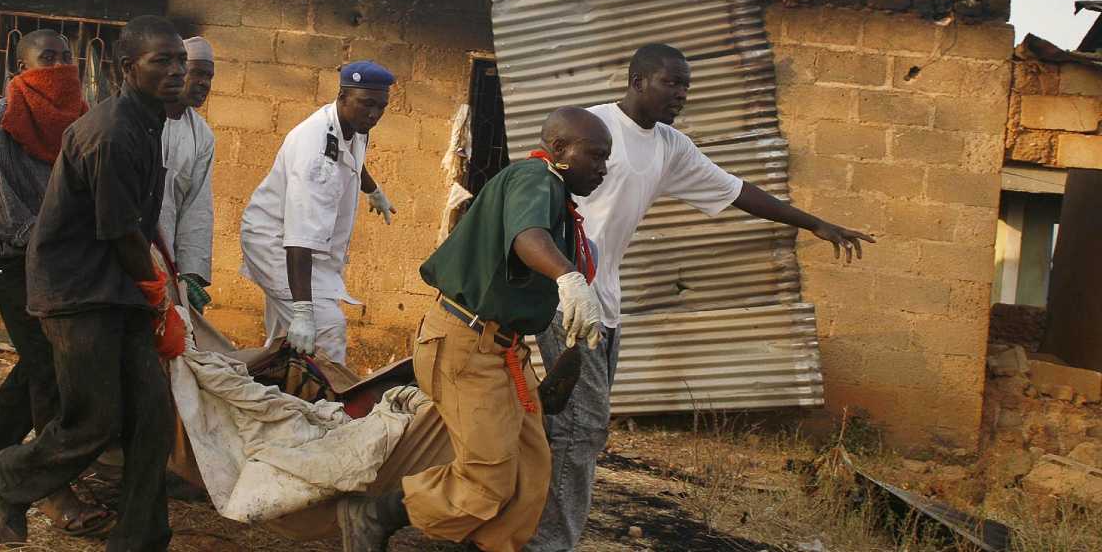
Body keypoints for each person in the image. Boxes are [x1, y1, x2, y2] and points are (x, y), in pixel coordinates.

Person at [526, 43, 877, 552]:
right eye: (672, 83)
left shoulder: (669, 145)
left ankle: (517, 524)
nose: (682, 94)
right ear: (638, 80)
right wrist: (554, 277)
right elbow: (531, 196)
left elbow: (734, 189)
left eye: (687, 85)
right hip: (567, 299)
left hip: (606, 303)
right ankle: (548, 544)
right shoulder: (591, 128)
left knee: (570, 425)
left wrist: (814, 223)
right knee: (582, 430)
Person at [336, 107, 612, 552]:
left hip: (502, 349)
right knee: (489, 477)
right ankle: (376, 514)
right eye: (595, 155)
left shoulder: (552, 191)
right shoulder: (536, 179)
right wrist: (568, 278)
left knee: (530, 469)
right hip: (467, 344)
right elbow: (527, 237)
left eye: (606, 158)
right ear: (559, 150)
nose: (602, 167)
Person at [0, 15, 186, 552]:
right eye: (161, 61)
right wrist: (156, 294)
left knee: (152, 420)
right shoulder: (113, 132)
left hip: (113, 287)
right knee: (93, 421)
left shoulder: (146, 122)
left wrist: (156, 282)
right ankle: (8, 475)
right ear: (126, 69)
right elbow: (118, 229)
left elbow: (139, 222)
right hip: (78, 293)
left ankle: (140, 537)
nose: (176, 71)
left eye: (180, 61)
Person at [0, 28, 114, 538]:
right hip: (12, 259)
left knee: (40, 360)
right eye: (47, 58)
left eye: (66, 58)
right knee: (48, 365)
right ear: (21, 68)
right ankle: (46, 487)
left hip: (59, 262)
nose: (60, 66)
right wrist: (49, 247)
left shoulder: (78, 119)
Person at [239, 60, 397, 364]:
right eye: (366, 104)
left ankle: (272, 398)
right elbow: (299, 236)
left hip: (298, 247)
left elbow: (353, 158)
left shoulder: (353, 125)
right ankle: (326, 407)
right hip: (277, 244)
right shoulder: (315, 152)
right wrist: (303, 312)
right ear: (342, 96)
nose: (374, 114)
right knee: (326, 329)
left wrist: (373, 190)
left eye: (381, 106)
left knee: (285, 346)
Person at [158, 36, 216, 314]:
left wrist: (191, 273)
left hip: (166, 260)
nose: (204, 83)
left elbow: (197, 208)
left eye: (209, 76)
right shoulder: (140, 117)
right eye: (198, 73)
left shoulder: (202, 135)